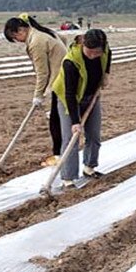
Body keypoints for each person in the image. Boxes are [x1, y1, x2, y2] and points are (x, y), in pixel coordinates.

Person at [4, 13, 67, 167]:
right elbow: (64, 40)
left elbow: (42, 72)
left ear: (20, 31)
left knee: (55, 121)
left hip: (60, 81)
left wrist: (38, 95)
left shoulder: (36, 42)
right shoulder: (43, 32)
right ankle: (61, 153)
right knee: (57, 118)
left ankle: (59, 155)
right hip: (63, 77)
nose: (18, 41)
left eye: (15, 38)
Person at [52, 29, 111, 187]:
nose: (93, 55)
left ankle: (89, 168)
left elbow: (108, 56)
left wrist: (106, 74)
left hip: (91, 96)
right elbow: (69, 94)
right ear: (83, 45)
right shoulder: (71, 62)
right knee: (71, 138)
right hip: (68, 99)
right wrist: (75, 121)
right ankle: (68, 178)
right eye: (89, 52)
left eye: (96, 53)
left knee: (94, 134)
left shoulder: (104, 50)